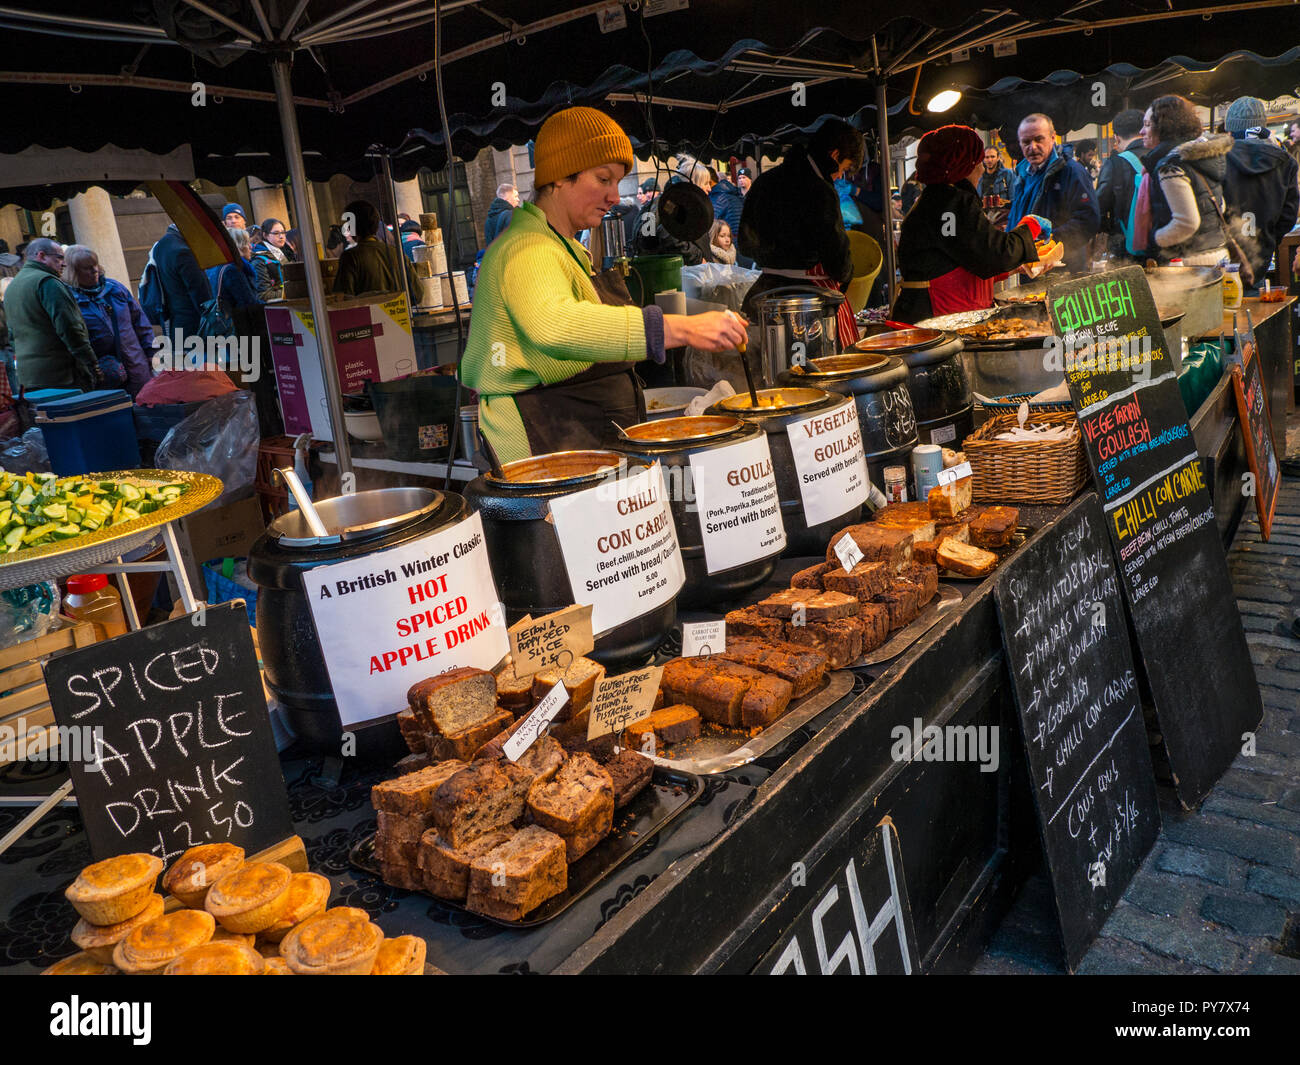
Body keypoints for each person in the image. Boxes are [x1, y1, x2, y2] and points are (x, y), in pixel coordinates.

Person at [459, 106, 746, 463]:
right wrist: (678, 328)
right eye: (603, 178)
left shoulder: (565, 247)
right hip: (538, 447)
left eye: (616, 181)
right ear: (561, 176)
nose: (614, 196)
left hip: (573, 432)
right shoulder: (527, 247)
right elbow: (555, 326)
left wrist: (703, 314)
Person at [892, 125, 1051, 324]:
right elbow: (995, 254)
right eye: (978, 161)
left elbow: (969, 256)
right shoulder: (950, 202)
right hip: (936, 320)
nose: (983, 168)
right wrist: (1031, 225)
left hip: (934, 314)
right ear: (964, 165)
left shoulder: (937, 199)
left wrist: (1015, 267)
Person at [738, 118, 865, 344]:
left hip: (763, 295)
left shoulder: (764, 181)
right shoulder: (820, 190)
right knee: (818, 371)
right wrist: (845, 275)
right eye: (843, 169)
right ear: (835, 156)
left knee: (768, 372)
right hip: (809, 304)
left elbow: (746, 244)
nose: (838, 177)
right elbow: (837, 258)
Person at [1135, 95, 1232, 266]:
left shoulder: (1171, 166)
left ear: (1164, 128)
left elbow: (1186, 223)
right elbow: (1220, 205)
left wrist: (1155, 239)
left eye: (1147, 125)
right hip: (1217, 256)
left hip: (1189, 265)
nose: (1141, 131)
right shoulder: (1201, 156)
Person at [1220, 96, 1300, 282]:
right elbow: (1288, 216)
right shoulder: (1286, 160)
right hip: (1261, 256)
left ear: (1230, 129)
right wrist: (1270, 240)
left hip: (1223, 259)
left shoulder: (1217, 159)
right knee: (1255, 308)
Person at [1007, 113, 1099, 272]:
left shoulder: (1072, 171)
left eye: (1038, 139)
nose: (1033, 147)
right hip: (1029, 270)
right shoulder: (1022, 174)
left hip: (1064, 271)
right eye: (1026, 142)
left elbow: (1088, 219)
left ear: (1052, 137)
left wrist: (1050, 243)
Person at [4, 239, 99, 391]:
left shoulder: (13, 286)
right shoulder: (48, 282)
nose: (64, 264)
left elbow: (12, 334)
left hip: (29, 378)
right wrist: (92, 364)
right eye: (59, 258)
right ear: (41, 256)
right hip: (62, 377)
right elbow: (70, 329)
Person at [64, 245, 155, 397]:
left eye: (95, 265)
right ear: (74, 272)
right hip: (105, 373)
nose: (94, 271)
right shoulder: (68, 299)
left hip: (136, 364)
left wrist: (152, 352)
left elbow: (140, 323)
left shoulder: (116, 288)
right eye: (86, 268)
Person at [332, 200, 422, 307]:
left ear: (351, 227)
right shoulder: (397, 253)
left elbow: (343, 300)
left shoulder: (350, 257)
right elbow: (417, 295)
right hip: (401, 319)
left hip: (368, 321)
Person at [1096, 109, 1147, 259]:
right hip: (1162, 244)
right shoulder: (1161, 155)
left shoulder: (1115, 163)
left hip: (1125, 247)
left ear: (1116, 138)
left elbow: (1098, 207)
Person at [147, 223, 212, 337]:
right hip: (194, 327)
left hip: (175, 323)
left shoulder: (161, 245)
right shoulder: (183, 251)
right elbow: (201, 295)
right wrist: (214, 323)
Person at [204, 227, 262, 316]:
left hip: (228, 321)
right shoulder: (232, 270)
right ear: (238, 246)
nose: (251, 247)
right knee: (179, 330)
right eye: (247, 243)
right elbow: (248, 304)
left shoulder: (218, 266)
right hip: (237, 324)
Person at [976, 146, 1015, 227]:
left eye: (992, 157)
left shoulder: (1007, 174)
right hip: (984, 217)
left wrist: (1004, 203)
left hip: (1003, 217)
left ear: (998, 158)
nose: (990, 160)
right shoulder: (979, 177)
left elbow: (1014, 198)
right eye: (986, 157)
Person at [709, 169, 745, 235]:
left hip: (731, 241)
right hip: (740, 239)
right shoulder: (728, 193)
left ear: (710, 182)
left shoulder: (717, 198)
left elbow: (709, 226)